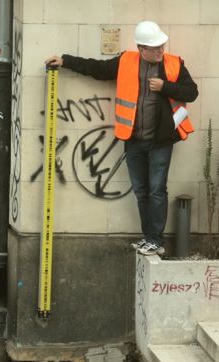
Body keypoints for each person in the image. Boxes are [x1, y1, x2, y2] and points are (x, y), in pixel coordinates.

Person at [46, 21, 198, 256]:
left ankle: (156, 240)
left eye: (162, 45)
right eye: (155, 47)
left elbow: (192, 92)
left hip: (161, 142)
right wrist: (66, 61)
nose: (161, 50)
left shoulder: (174, 64)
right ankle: (149, 237)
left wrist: (165, 86)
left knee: (157, 190)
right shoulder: (126, 61)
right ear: (141, 48)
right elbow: (97, 69)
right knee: (141, 190)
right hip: (133, 140)